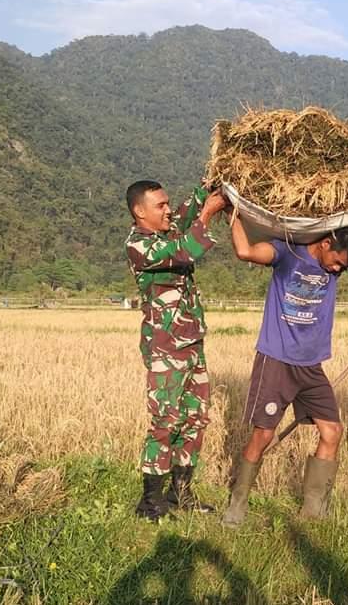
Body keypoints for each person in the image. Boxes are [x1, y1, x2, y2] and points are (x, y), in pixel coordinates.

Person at [222, 198, 348, 527]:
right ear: (327, 242)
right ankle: (237, 505)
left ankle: (313, 510)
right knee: (263, 434)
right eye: (336, 263)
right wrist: (232, 214)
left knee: (332, 432)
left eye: (342, 268)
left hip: (312, 366)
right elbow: (246, 252)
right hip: (276, 360)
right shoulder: (287, 254)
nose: (336, 270)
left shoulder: (338, 263)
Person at [125, 180, 226, 521]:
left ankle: (180, 494)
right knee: (165, 422)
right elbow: (185, 249)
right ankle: (150, 502)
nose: (168, 210)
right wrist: (208, 214)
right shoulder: (140, 245)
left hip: (192, 343)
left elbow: (186, 216)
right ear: (140, 212)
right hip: (166, 347)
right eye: (160, 206)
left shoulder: (165, 232)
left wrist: (206, 190)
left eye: (168, 203)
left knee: (195, 419)